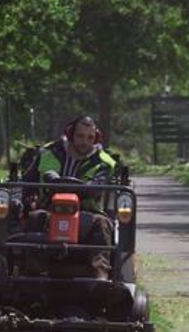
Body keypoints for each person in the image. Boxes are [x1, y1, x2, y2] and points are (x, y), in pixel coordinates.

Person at [18, 116, 118, 280]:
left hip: (87, 214)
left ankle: (100, 278)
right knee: (35, 218)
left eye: (90, 138)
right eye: (80, 136)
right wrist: (26, 201)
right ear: (71, 134)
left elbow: (98, 185)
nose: (85, 142)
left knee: (102, 224)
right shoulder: (48, 153)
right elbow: (27, 182)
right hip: (49, 210)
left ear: (96, 138)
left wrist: (78, 188)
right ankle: (35, 276)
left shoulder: (104, 162)